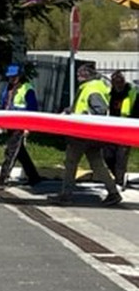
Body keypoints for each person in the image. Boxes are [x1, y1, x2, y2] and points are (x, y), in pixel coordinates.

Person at [50, 64, 122, 207]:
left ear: (87, 75)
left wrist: (81, 117)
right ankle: (113, 193)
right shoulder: (90, 87)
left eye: (80, 73)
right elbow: (82, 106)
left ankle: (66, 195)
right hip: (92, 135)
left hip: (82, 134)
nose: (78, 76)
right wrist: (69, 110)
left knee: (70, 163)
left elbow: (99, 110)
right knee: (97, 164)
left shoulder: (92, 89)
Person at [0, 64, 42, 189]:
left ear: (20, 76)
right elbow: (4, 106)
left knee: (11, 151)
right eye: (10, 77)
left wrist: (28, 127)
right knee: (20, 152)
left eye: (14, 77)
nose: (11, 79)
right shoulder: (8, 89)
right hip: (10, 124)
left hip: (20, 124)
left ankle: (2, 179)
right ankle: (34, 177)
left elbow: (32, 109)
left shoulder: (27, 89)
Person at [103, 70, 135, 188]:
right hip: (111, 127)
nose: (118, 85)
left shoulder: (132, 93)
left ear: (124, 82)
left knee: (121, 156)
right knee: (108, 155)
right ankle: (118, 175)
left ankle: (119, 181)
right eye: (115, 83)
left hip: (126, 128)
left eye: (120, 82)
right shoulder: (109, 93)